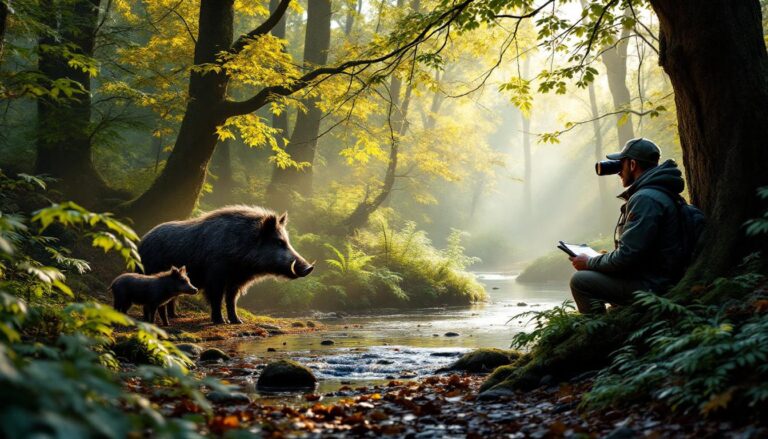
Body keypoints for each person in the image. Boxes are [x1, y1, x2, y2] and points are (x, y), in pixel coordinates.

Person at [569, 138, 687, 314]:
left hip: (655, 286)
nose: (618, 171)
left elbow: (627, 257)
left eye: (620, 164)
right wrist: (603, 259)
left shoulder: (645, 199)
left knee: (580, 281)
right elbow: (640, 251)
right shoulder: (661, 192)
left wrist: (590, 262)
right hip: (659, 276)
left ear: (632, 164)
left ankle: (597, 334)